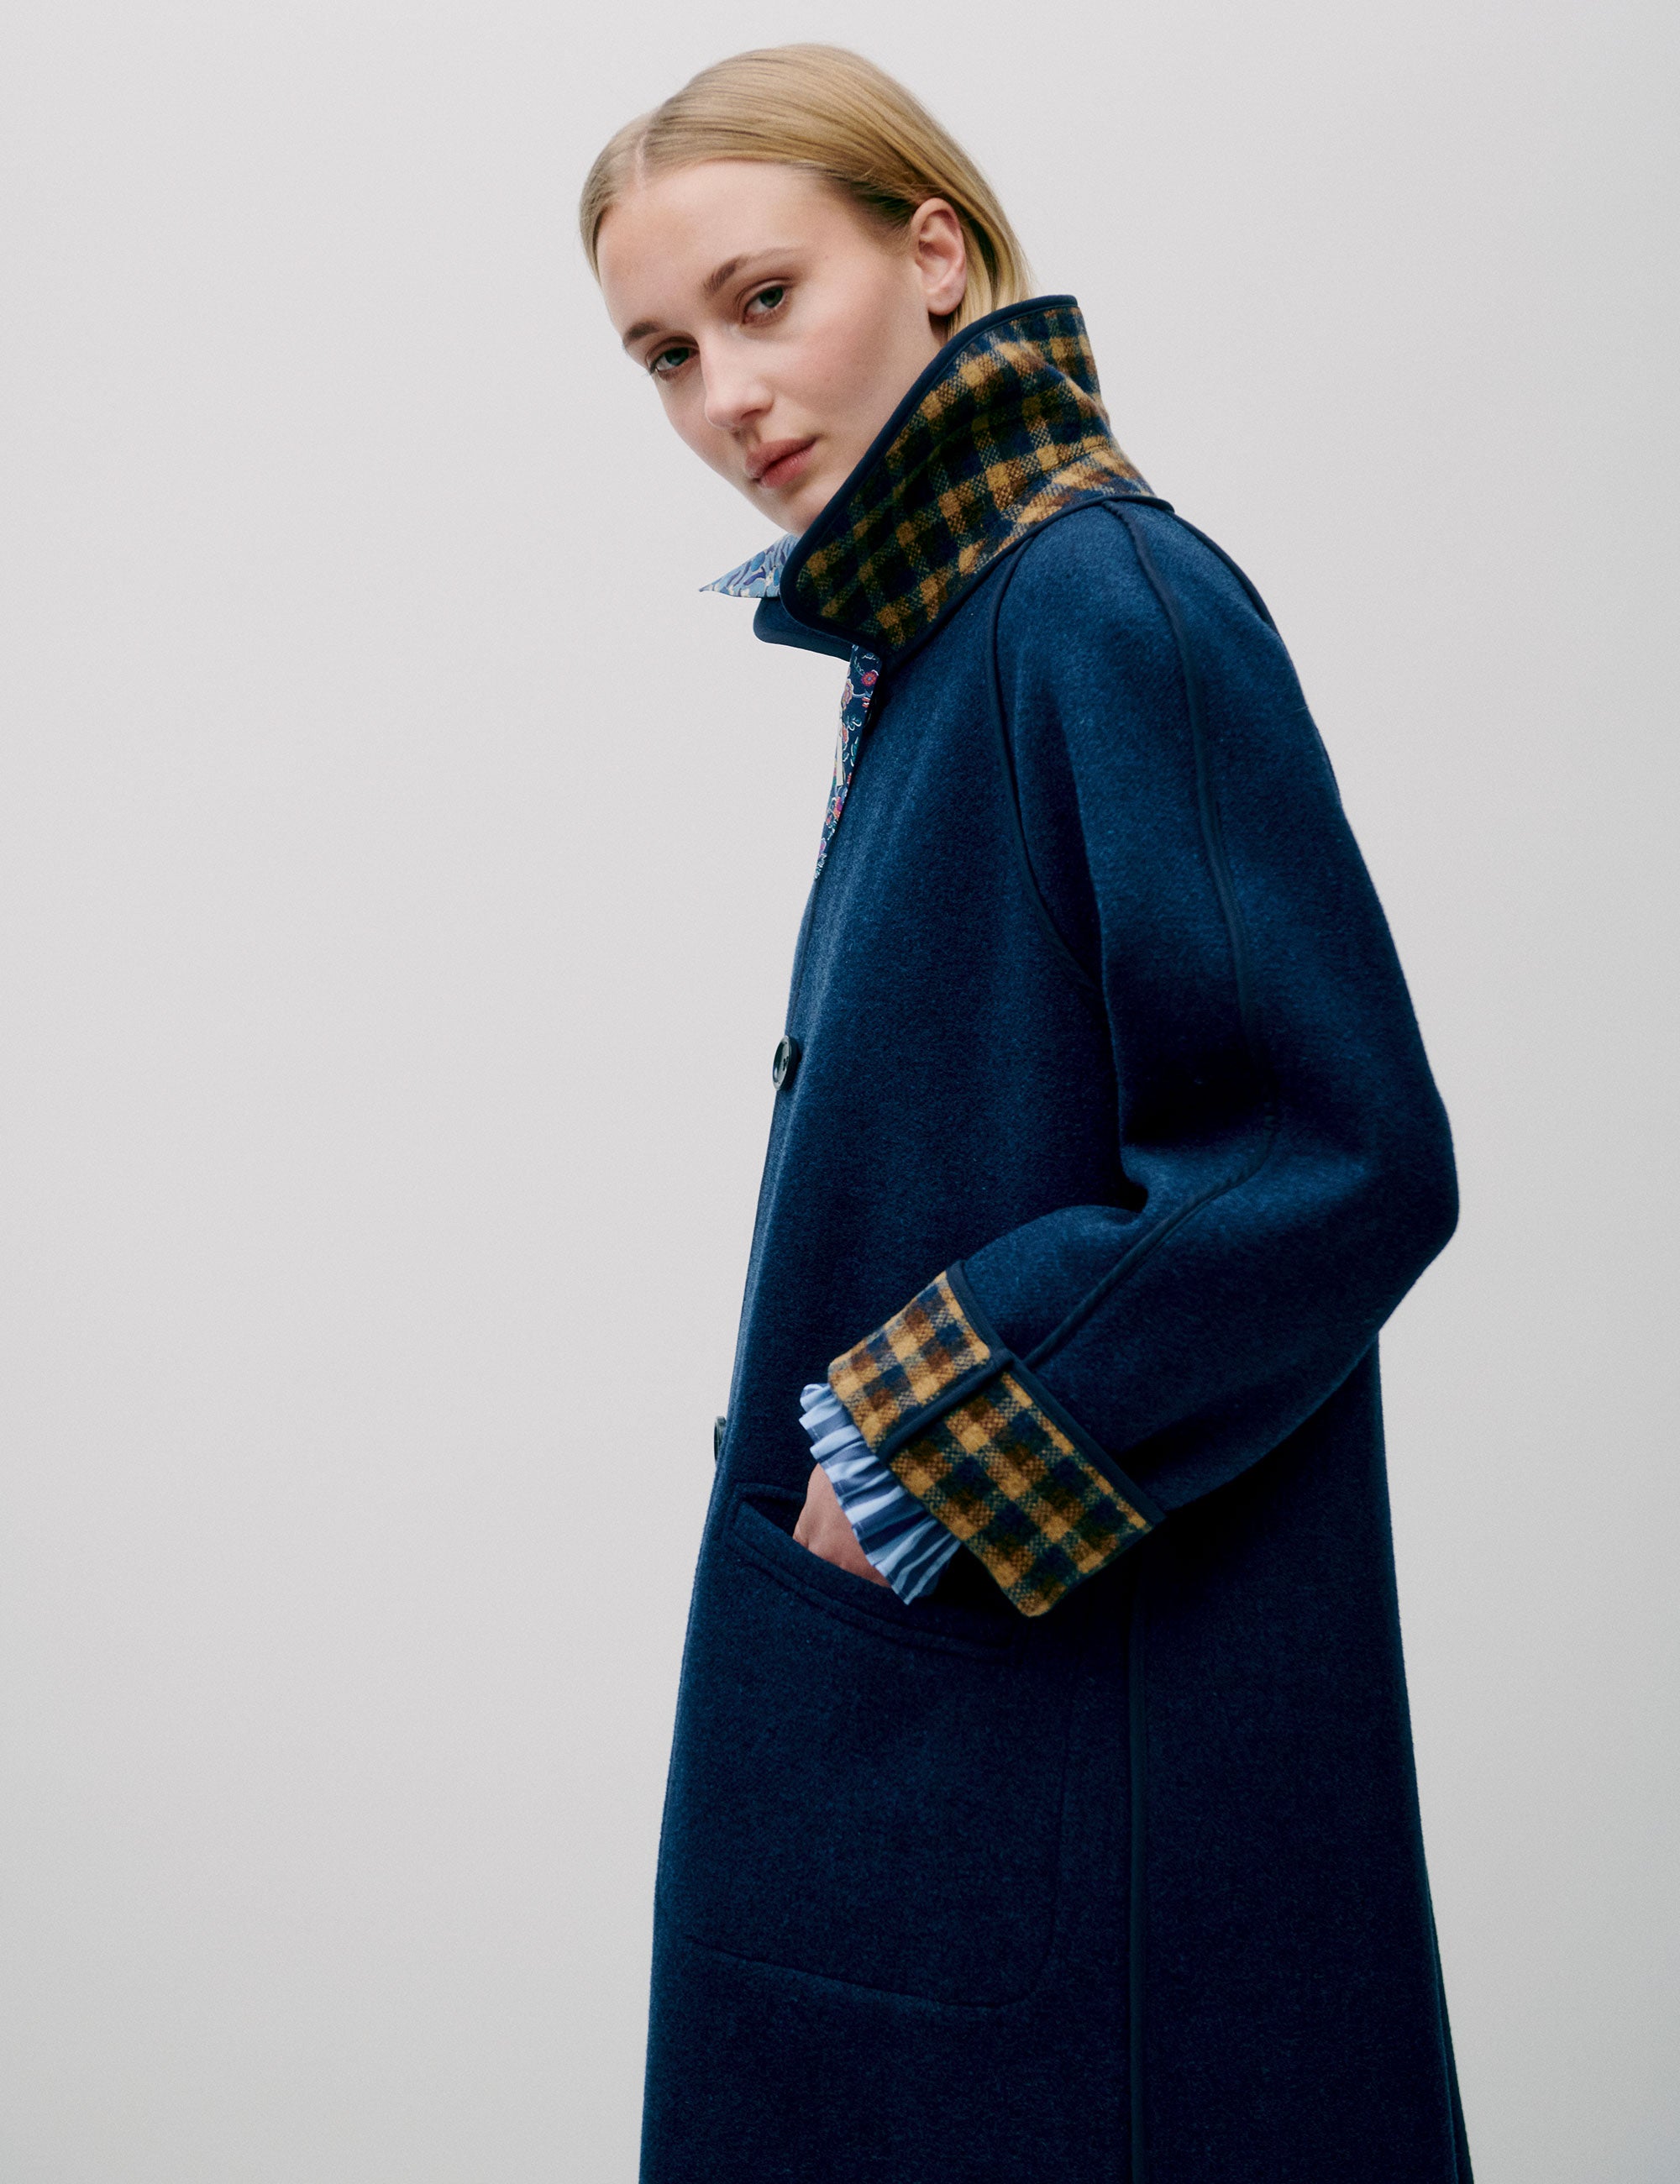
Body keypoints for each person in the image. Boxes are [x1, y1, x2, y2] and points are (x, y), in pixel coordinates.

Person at [582, 45, 1470, 2184]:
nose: (723, 397)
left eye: (761, 301)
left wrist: (904, 1439)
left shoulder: (1101, 604)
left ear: (937, 254)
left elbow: (1324, 1154)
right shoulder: (940, 632)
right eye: (663, 353)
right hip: (947, 1722)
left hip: (1071, 1723)